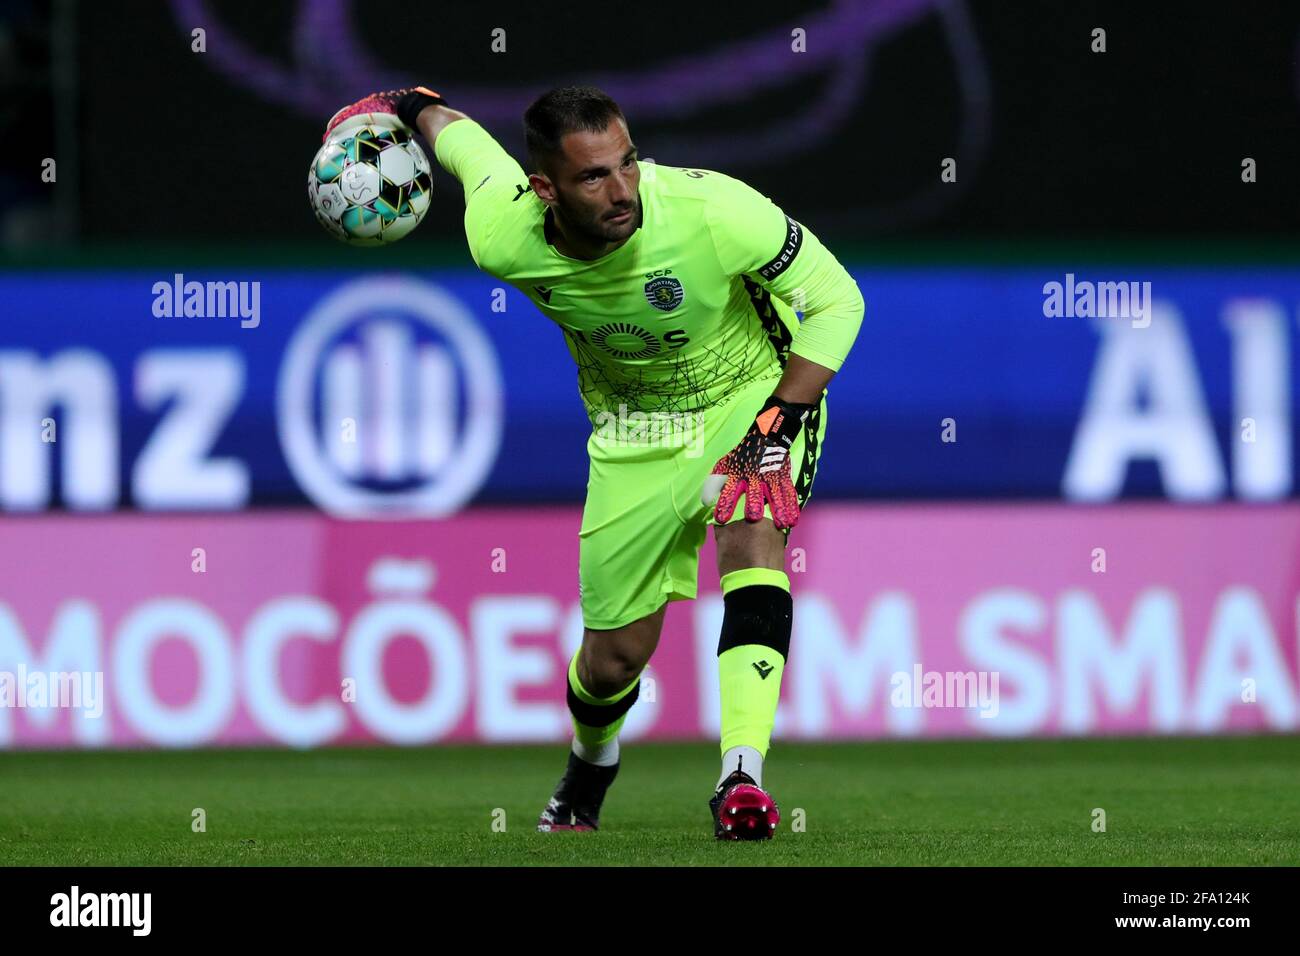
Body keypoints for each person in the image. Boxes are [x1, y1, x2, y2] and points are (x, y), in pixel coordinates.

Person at [322, 84, 864, 840]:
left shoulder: (713, 212)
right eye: (593, 177)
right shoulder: (502, 233)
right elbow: (461, 142)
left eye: (628, 164)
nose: (622, 191)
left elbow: (839, 303)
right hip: (631, 433)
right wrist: (405, 102)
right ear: (544, 188)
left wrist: (773, 423)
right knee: (612, 660)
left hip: (752, 394)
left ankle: (741, 778)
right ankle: (589, 767)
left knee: (752, 526)